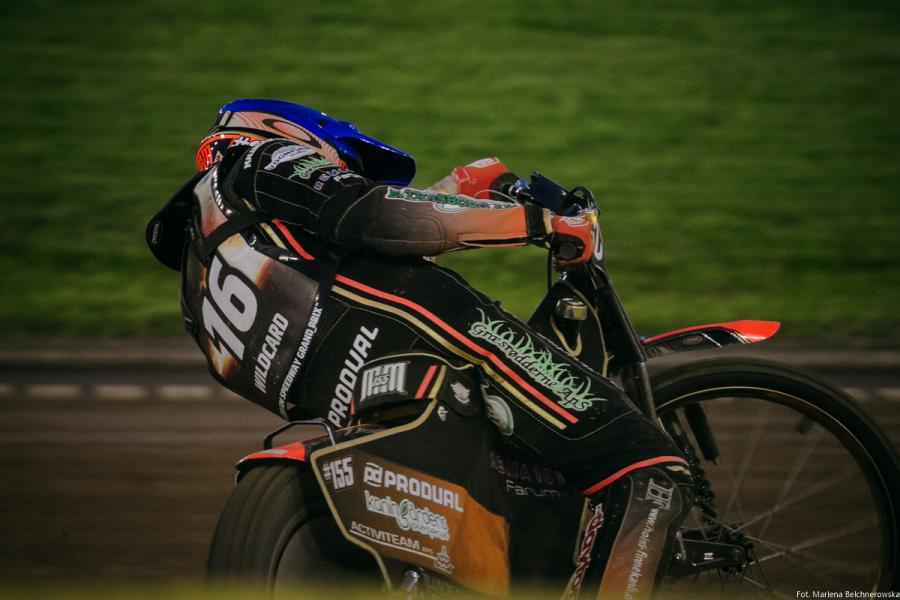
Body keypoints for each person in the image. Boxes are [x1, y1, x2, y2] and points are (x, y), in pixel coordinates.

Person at [146, 98, 693, 599]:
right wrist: (542, 222)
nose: (347, 172)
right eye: (345, 163)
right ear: (289, 133)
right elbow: (374, 216)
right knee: (651, 469)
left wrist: (458, 188)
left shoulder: (205, 270)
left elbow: (355, 251)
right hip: (447, 334)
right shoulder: (262, 157)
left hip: (366, 395)